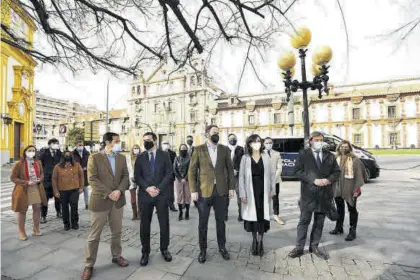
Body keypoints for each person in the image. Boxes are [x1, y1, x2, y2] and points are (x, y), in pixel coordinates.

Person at [82, 132, 130, 280]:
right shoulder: (94, 157)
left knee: (117, 232)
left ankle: (116, 256)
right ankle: (89, 264)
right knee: (94, 235)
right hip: (101, 201)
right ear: (107, 142)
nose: (118, 144)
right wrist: (109, 193)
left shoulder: (121, 158)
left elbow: (126, 177)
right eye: (116, 141)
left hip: (117, 201)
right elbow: (92, 179)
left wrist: (119, 191)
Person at [288, 131, 340, 260]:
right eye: (316, 140)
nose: (319, 142)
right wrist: (313, 180)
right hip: (308, 195)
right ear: (310, 141)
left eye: (321, 140)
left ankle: (314, 246)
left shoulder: (330, 156)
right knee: (304, 221)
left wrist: (329, 179)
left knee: (319, 222)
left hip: (324, 195)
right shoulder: (303, 154)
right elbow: (297, 171)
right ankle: (299, 247)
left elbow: (337, 172)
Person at [188, 125, 235, 264]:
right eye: (214, 132)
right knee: (203, 223)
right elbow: (191, 171)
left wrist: (231, 188)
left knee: (221, 221)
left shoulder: (224, 149)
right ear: (207, 134)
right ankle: (203, 250)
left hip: (221, 191)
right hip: (204, 191)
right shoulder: (198, 149)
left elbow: (230, 170)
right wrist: (193, 190)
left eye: (218, 133)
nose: (216, 135)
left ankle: (222, 248)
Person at [135, 132, 173, 267]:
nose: (146, 142)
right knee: (144, 224)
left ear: (155, 141)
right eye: (144, 140)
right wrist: (147, 188)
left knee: (164, 223)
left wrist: (158, 188)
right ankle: (145, 252)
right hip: (145, 196)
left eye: (149, 140)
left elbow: (169, 173)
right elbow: (137, 176)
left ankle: (164, 249)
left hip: (161, 195)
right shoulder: (140, 157)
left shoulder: (164, 155)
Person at [239, 135, 275, 256]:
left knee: (261, 216)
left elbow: (271, 175)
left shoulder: (266, 157)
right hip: (250, 190)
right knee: (252, 217)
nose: (257, 143)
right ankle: (254, 239)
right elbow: (241, 177)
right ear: (249, 144)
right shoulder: (245, 158)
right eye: (254, 141)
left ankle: (261, 241)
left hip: (263, 190)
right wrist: (242, 194)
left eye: (259, 141)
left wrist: (272, 191)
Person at [330, 140, 365, 241]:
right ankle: (339, 227)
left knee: (352, 209)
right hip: (337, 188)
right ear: (338, 148)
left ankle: (352, 231)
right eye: (341, 146)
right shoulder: (336, 158)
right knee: (339, 208)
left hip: (350, 188)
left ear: (349, 148)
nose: (343, 148)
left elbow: (359, 176)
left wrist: (357, 189)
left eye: (345, 147)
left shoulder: (355, 160)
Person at [11, 145, 48, 240]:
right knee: (22, 210)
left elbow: (42, 174)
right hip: (23, 189)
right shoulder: (19, 164)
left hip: (36, 187)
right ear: (25, 152)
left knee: (37, 208)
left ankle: (36, 229)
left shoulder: (38, 162)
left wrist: (40, 178)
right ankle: (22, 232)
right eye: (29, 150)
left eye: (33, 150)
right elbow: (13, 178)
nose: (32, 152)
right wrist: (26, 182)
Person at [52, 151, 84, 231]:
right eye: (66, 155)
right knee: (64, 208)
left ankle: (75, 223)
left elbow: (81, 175)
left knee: (74, 207)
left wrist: (81, 187)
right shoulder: (58, 166)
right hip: (62, 190)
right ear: (63, 157)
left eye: (69, 155)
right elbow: (54, 179)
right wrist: (55, 191)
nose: (67, 156)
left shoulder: (77, 165)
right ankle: (66, 224)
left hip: (74, 189)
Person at [39, 138, 62, 223]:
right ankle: (43, 216)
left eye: (57, 143)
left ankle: (59, 212)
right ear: (50, 144)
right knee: (45, 199)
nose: (56, 145)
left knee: (58, 197)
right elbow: (39, 165)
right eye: (54, 143)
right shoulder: (43, 153)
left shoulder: (60, 153)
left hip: (57, 179)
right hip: (47, 180)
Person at [264, 137, 285, 225]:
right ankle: (265, 215)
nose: (268, 144)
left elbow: (279, 168)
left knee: (275, 199)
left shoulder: (277, 154)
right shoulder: (260, 154)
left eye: (270, 142)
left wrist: (273, 179)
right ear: (264, 144)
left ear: (272, 143)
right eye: (266, 143)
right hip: (264, 181)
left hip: (275, 181)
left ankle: (276, 215)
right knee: (264, 199)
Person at [227, 133, 245, 221]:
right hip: (227, 176)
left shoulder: (240, 149)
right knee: (226, 196)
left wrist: (237, 170)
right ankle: (224, 213)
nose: (232, 140)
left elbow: (243, 161)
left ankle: (240, 214)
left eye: (234, 138)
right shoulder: (224, 149)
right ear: (228, 140)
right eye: (231, 139)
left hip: (238, 175)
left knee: (239, 195)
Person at [173, 144, 191, 221]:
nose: (183, 150)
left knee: (187, 196)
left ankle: (187, 212)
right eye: (182, 148)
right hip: (178, 180)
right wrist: (180, 178)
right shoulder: (176, 159)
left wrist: (185, 178)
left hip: (187, 180)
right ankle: (180, 212)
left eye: (184, 148)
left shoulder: (190, 158)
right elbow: (174, 169)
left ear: (186, 150)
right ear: (179, 149)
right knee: (179, 196)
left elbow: (191, 169)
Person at [72, 140, 91, 210]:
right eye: (79, 145)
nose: (80, 146)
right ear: (76, 145)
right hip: (76, 176)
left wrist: (87, 167)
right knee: (77, 192)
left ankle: (87, 204)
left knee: (86, 190)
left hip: (85, 175)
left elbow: (90, 163)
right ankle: (74, 204)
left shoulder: (87, 153)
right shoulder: (72, 154)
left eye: (81, 145)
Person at [161, 141, 178, 212]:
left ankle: (171, 205)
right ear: (162, 145)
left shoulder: (173, 153)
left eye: (167, 144)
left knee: (171, 191)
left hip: (170, 175)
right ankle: (161, 205)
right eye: (164, 144)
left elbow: (175, 164)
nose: (166, 145)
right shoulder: (158, 153)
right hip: (161, 176)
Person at [126, 144, 141, 220]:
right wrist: (130, 176)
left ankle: (139, 213)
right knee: (133, 199)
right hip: (131, 179)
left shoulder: (142, 157)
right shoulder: (128, 158)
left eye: (137, 148)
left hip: (140, 180)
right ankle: (134, 213)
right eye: (134, 148)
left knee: (140, 198)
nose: (136, 149)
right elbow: (126, 169)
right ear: (132, 149)